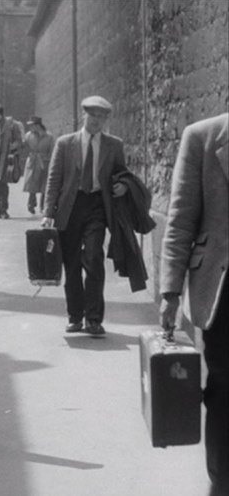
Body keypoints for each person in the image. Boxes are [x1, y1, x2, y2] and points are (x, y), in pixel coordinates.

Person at [159, 113, 228, 496]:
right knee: (224, 389)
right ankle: (222, 482)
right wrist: (170, 292)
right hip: (222, 291)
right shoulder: (203, 137)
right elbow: (180, 220)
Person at [41, 95, 128, 337]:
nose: (96, 122)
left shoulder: (114, 145)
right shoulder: (65, 143)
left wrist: (123, 186)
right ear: (84, 116)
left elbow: (122, 174)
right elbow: (54, 178)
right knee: (71, 265)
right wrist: (48, 212)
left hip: (97, 207)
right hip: (70, 207)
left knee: (94, 259)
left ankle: (94, 319)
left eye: (101, 118)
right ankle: (75, 317)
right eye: (93, 116)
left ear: (106, 120)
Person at [22, 116, 55, 214]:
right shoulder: (28, 135)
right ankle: (31, 204)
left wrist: (47, 159)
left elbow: (52, 151)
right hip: (32, 162)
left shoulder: (49, 136)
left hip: (44, 163)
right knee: (31, 184)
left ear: (37, 125)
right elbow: (23, 147)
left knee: (44, 186)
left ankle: (42, 206)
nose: (30, 127)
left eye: (32, 125)